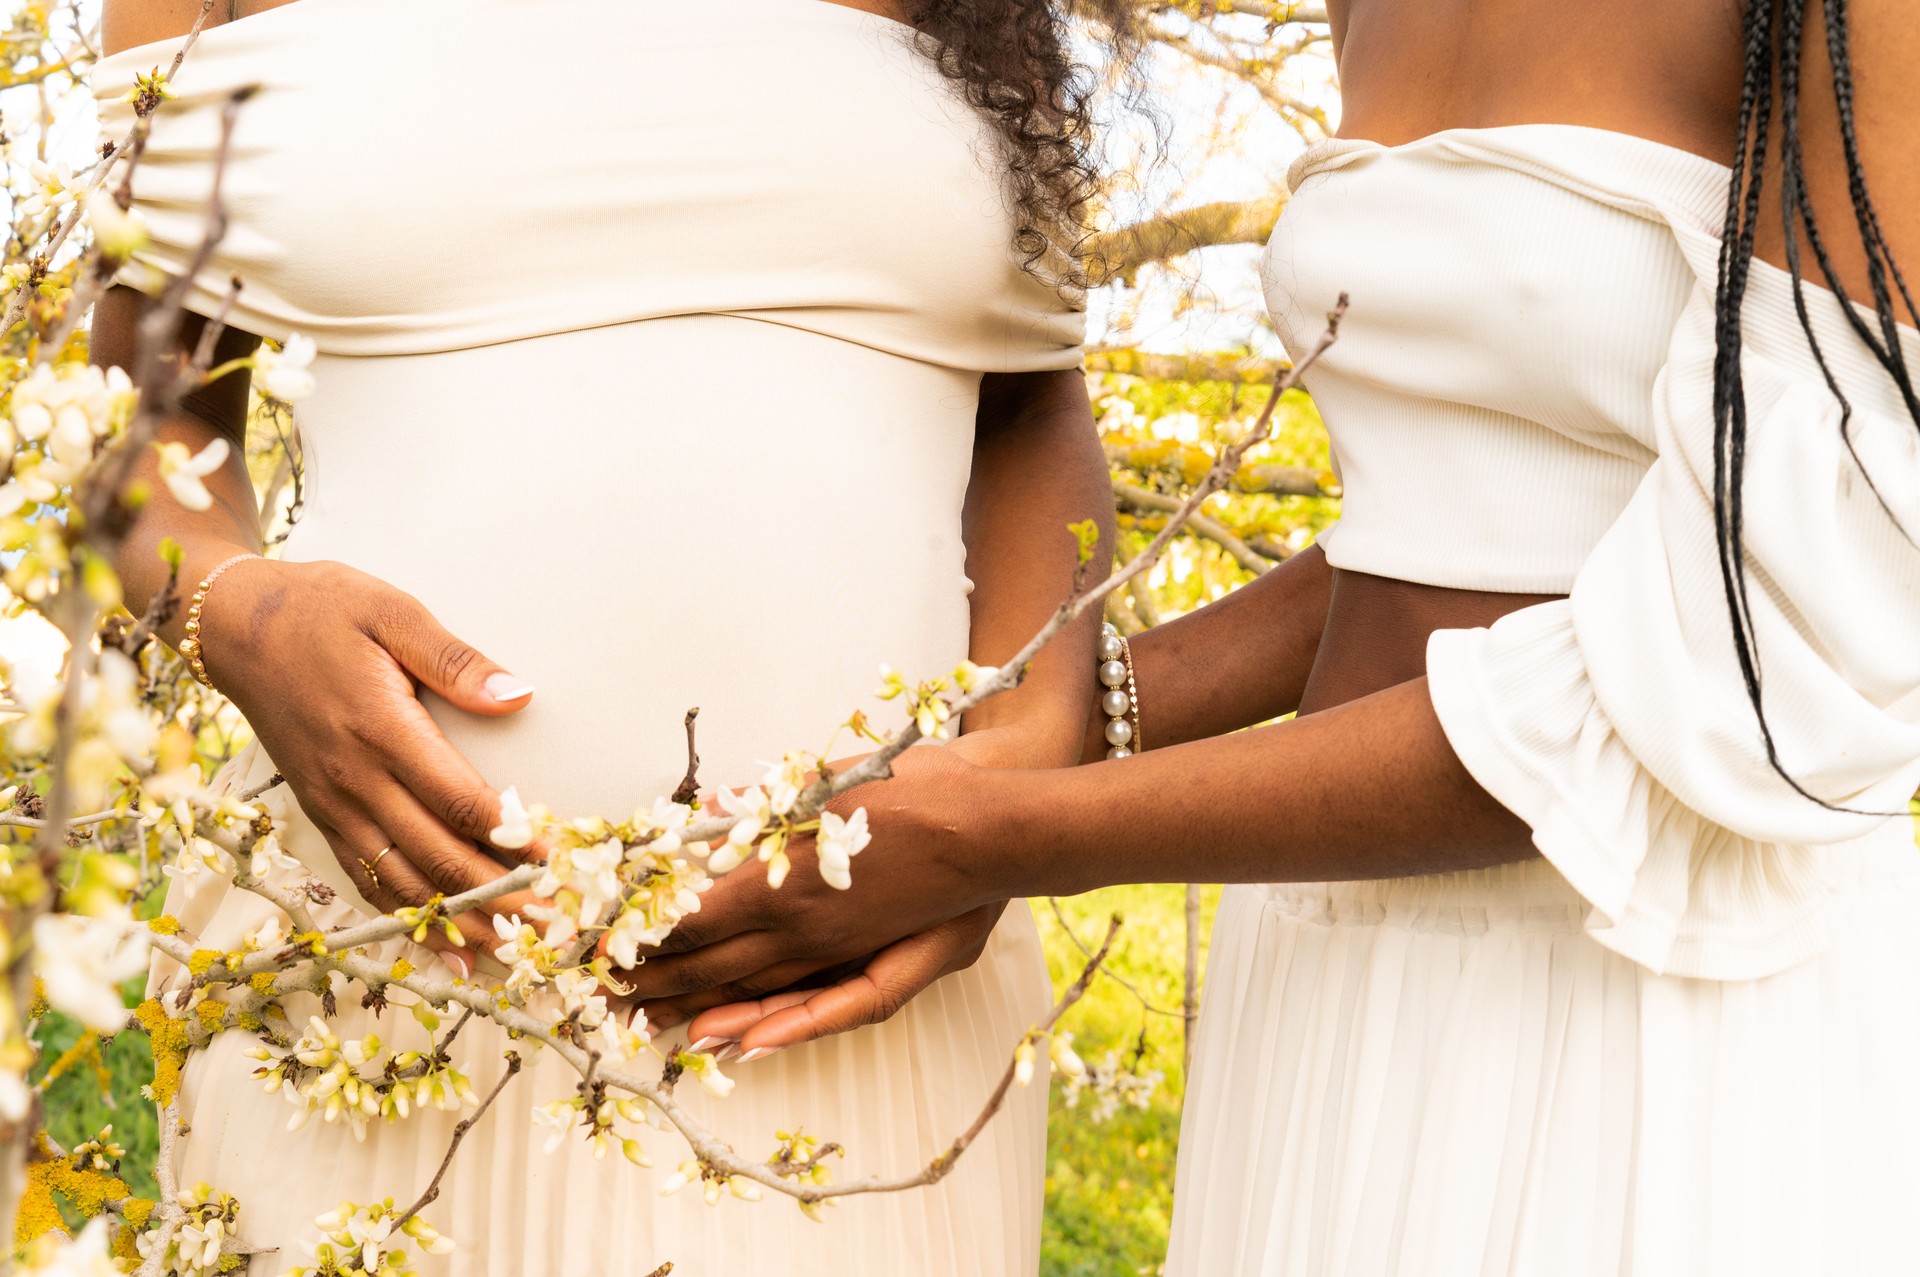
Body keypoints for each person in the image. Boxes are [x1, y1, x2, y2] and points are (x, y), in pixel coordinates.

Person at [634, 0, 1920, 1271]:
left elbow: (1751, 648)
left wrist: (1001, 833)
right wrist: (1029, 731)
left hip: (1661, 967)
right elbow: (1457, 525)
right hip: (1326, 961)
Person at [92, 1, 1129, 1272]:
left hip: (840, 990)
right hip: (365, 973)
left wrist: (1015, 772)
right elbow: (139, 411)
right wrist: (238, 612)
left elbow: (1028, 398)